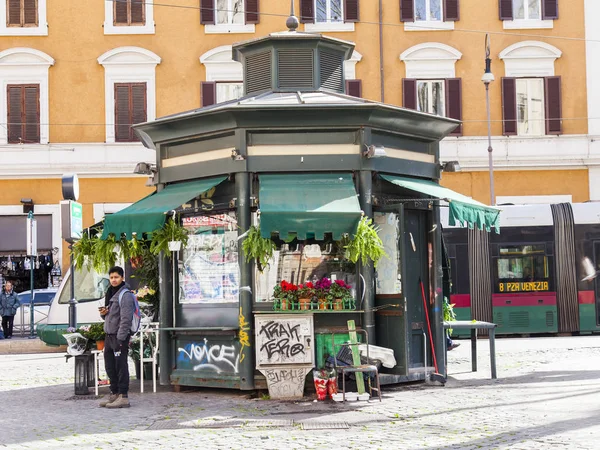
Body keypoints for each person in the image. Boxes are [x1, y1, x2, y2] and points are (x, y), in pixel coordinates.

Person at [98, 266, 135, 409]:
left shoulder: (125, 295)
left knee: (120, 366)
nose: (113, 280)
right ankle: (114, 393)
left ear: (122, 278)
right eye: (111, 277)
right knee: (110, 366)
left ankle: (123, 396)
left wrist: (121, 338)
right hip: (109, 335)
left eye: (116, 277)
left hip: (119, 337)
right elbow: (110, 316)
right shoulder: (110, 292)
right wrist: (103, 313)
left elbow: (126, 319)